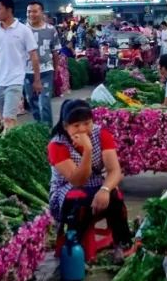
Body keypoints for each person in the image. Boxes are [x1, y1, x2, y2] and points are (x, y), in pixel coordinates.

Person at [47, 99, 134, 262]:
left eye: (87, 123)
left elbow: (114, 170)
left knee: (115, 195)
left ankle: (122, 244)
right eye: (76, 126)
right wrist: (87, 150)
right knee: (79, 198)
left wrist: (105, 189)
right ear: (66, 126)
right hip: (66, 191)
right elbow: (78, 180)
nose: (83, 130)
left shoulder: (102, 134)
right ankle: (75, 245)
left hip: (96, 185)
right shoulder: (57, 145)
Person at [0, 0, 42, 129]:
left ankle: (5, 147)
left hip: (15, 80)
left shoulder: (24, 30)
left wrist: (37, 80)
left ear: (9, 10)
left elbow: (34, 56)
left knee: (9, 118)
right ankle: (8, 143)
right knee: (3, 118)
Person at [26, 1, 60, 127]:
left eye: (35, 11)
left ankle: (48, 132)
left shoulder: (51, 30)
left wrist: (56, 70)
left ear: (41, 12)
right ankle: (38, 128)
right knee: (31, 102)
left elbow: (55, 52)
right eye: (29, 11)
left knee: (44, 102)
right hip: (27, 72)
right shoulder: (23, 30)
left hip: (46, 71)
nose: (31, 14)